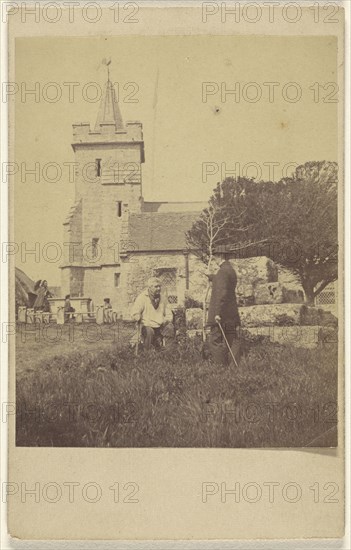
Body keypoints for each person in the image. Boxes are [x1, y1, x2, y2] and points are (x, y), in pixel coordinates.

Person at [206, 246, 241, 365]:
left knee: (215, 340)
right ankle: (234, 367)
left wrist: (217, 313)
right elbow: (225, 285)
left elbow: (222, 293)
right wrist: (212, 278)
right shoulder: (230, 270)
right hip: (231, 313)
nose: (214, 259)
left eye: (215, 256)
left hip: (221, 314)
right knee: (231, 339)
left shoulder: (222, 272)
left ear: (220, 256)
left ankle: (220, 367)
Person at [131, 277, 174, 350]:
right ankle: (148, 353)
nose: (158, 288)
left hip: (160, 324)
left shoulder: (163, 298)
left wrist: (166, 320)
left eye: (159, 286)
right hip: (147, 325)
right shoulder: (142, 297)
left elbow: (169, 313)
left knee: (170, 327)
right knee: (149, 332)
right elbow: (135, 311)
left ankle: (168, 352)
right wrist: (137, 316)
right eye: (156, 286)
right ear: (150, 287)